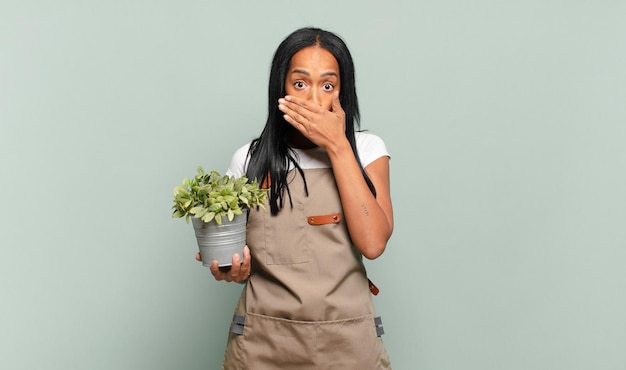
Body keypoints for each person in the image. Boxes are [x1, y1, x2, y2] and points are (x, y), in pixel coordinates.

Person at [199, 27, 394, 369]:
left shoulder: (367, 150)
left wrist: (337, 145)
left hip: (349, 345)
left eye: (328, 86)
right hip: (261, 345)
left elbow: (374, 243)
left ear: (342, 94)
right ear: (281, 89)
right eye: (300, 83)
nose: (313, 99)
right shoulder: (249, 159)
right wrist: (232, 268)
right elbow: (234, 256)